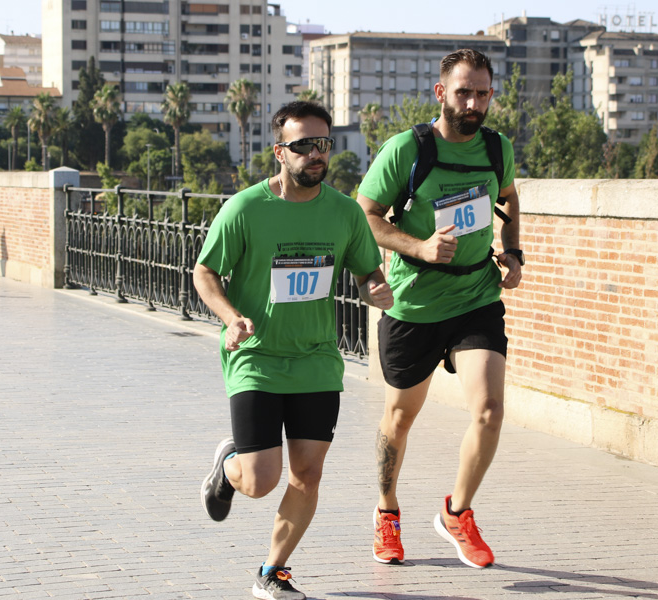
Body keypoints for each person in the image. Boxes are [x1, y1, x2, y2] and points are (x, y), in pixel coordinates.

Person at [195, 101, 394, 600]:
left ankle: (272, 571)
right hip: (257, 357)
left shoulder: (345, 212)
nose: (316, 154)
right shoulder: (245, 208)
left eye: (322, 144)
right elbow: (205, 272)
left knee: (307, 475)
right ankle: (228, 466)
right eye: (303, 145)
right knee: (261, 481)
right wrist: (229, 317)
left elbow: (368, 268)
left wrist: (375, 285)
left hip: (317, 361)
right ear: (280, 151)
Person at [355, 48, 523, 569]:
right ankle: (386, 511)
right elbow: (365, 217)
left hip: (476, 297)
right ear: (440, 93)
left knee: (490, 410)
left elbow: (511, 198)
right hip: (415, 304)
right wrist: (420, 247)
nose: (473, 103)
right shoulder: (407, 149)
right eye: (463, 92)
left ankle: (458, 512)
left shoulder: (498, 149)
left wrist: (512, 251)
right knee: (400, 418)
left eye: (482, 93)